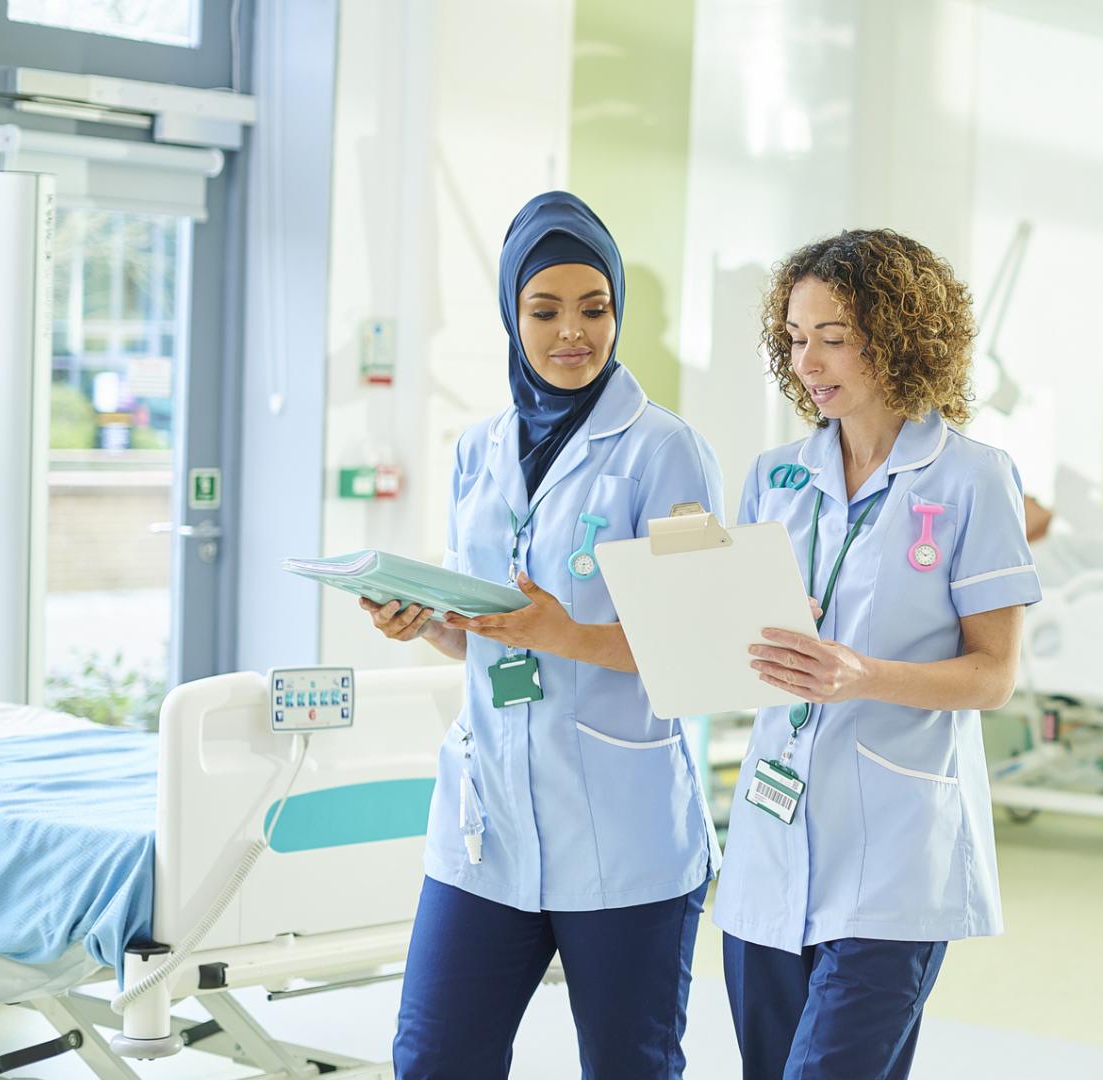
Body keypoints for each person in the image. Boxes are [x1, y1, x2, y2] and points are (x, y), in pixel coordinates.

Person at [365, 191, 722, 1079]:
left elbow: (706, 651)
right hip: (487, 831)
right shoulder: (477, 450)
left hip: (622, 833)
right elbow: (491, 630)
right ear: (510, 315)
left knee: (627, 1066)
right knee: (433, 1057)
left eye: (595, 309)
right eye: (545, 309)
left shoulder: (665, 451)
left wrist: (564, 632)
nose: (573, 333)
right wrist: (429, 625)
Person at [714, 229, 1040, 1080]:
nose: (810, 360)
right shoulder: (774, 476)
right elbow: (741, 645)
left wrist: (863, 675)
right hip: (769, 844)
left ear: (897, 335)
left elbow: (993, 674)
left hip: (894, 857)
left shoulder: (971, 478)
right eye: (794, 337)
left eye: (835, 335)